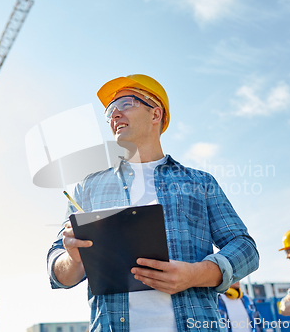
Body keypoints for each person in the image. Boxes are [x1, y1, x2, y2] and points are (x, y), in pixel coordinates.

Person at [47, 74, 259, 331]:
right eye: (110, 111)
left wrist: (196, 274)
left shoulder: (199, 183)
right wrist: (73, 259)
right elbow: (58, 273)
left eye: (125, 104)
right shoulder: (87, 188)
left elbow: (245, 248)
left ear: (155, 114)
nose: (114, 115)